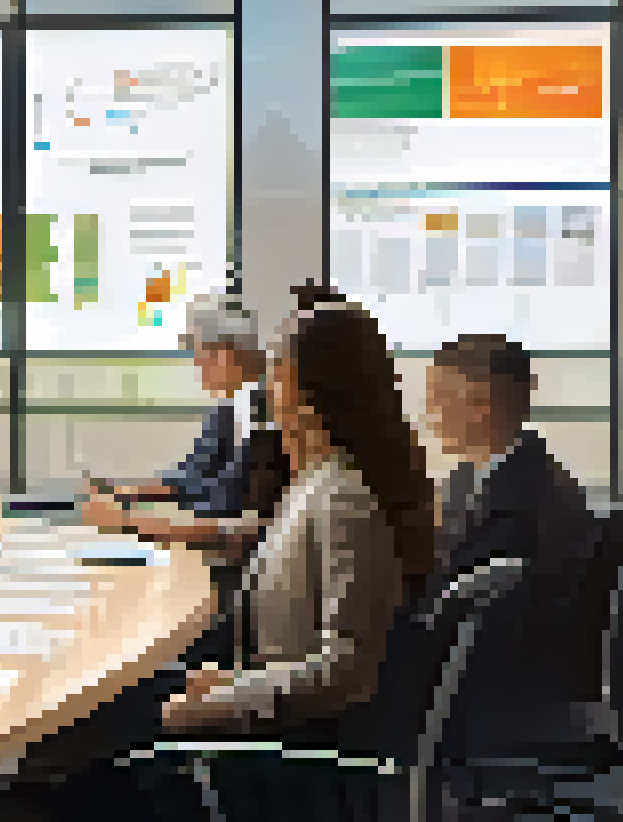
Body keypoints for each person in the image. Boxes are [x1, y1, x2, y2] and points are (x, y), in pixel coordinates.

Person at [156, 296, 434, 738]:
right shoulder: (319, 479)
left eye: (277, 372)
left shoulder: (345, 498)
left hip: (289, 743)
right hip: (270, 700)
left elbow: (344, 673)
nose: (267, 386)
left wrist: (221, 700)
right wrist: (231, 682)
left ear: (306, 391)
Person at [415, 333, 601, 773]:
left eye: (439, 400)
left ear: (479, 406)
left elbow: (471, 603)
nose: (429, 416)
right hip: (484, 664)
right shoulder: (472, 478)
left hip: (496, 682)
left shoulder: (534, 498)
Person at [79, 293, 291, 663]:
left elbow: (233, 523)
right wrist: (121, 496)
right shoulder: (231, 408)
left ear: (223, 354)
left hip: (236, 587)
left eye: (198, 354)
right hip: (210, 562)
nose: (195, 366)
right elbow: (188, 482)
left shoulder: (261, 416)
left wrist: (130, 523)